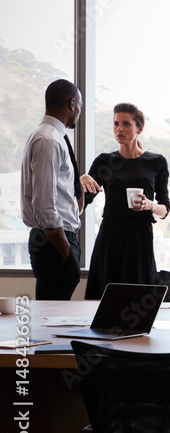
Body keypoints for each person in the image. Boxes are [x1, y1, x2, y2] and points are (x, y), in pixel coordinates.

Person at [79, 103, 170, 300]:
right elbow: (80, 205)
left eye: (126, 124)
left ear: (139, 129)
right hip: (111, 237)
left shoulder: (157, 162)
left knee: (137, 298)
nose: (119, 129)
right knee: (105, 299)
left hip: (140, 236)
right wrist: (80, 181)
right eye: (116, 124)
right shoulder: (104, 161)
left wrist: (150, 205)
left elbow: (164, 209)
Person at [20, 79, 84, 300]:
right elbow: (44, 207)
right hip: (54, 243)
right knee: (51, 323)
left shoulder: (48, 136)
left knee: (53, 320)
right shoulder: (50, 140)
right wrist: (66, 252)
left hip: (53, 242)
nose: (79, 112)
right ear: (72, 103)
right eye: (81, 106)